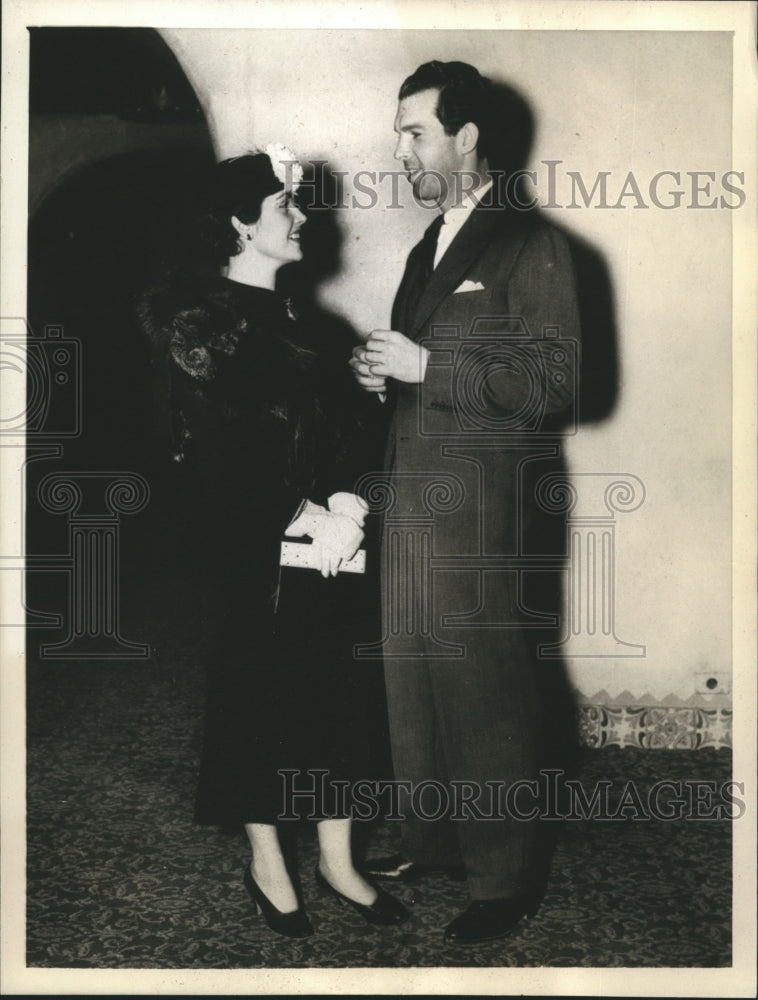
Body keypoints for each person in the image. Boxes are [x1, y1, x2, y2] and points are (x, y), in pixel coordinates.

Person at [142, 149, 407, 939]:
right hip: (253, 550)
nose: (299, 216)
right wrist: (299, 516)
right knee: (255, 696)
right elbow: (212, 453)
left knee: (336, 695)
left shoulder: (310, 323)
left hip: (334, 543)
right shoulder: (197, 325)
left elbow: (352, 430)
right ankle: (267, 860)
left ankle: (338, 859)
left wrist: (353, 505)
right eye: (282, 205)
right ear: (238, 224)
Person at [350, 61, 582, 944]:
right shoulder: (429, 246)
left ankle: (506, 874)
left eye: (414, 133)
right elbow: (429, 374)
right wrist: (385, 377)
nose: (399, 150)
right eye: (399, 134)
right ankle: (434, 839)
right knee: (413, 683)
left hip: (483, 516)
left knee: (485, 693)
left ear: (466, 137)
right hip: (414, 501)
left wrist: (427, 367)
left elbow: (556, 383)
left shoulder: (532, 243)